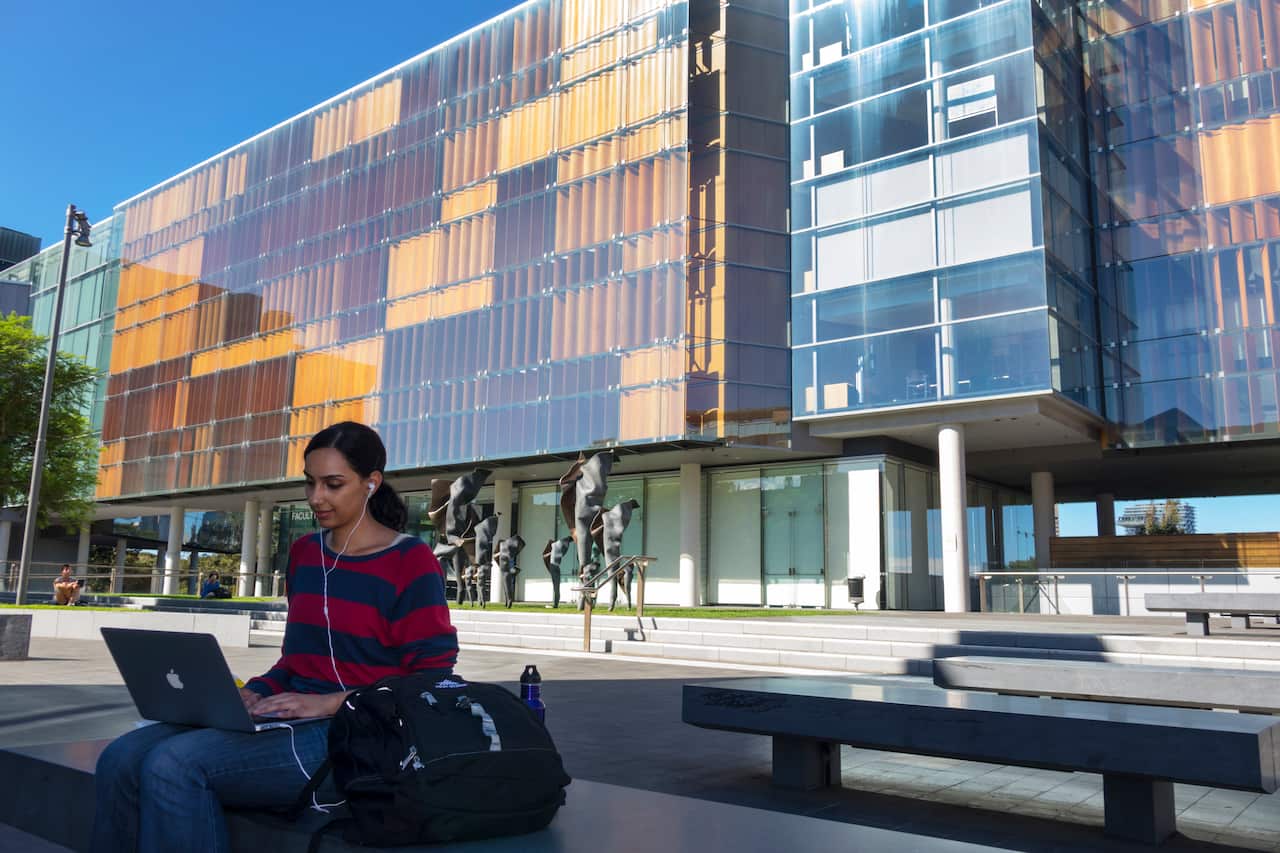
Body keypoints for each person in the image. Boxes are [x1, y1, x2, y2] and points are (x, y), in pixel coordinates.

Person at [90, 422, 458, 853]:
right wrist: (256, 693)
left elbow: (432, 678)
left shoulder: (409, 560)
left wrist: (330, 702)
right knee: (120, 757)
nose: (316, 497)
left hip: (362, 737)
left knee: (175, 764)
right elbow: (295, 661)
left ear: (371, 483)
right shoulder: (304, 554)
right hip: (290, 716)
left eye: (333, 484)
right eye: (310, 483)